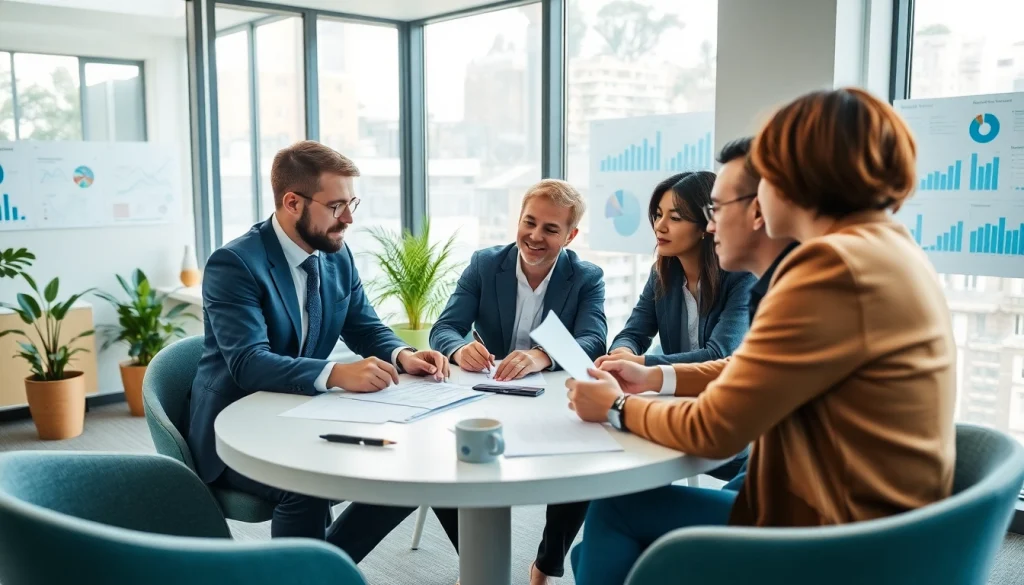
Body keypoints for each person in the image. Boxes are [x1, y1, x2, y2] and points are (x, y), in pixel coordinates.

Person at [566, 87, 957, 585]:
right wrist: (655, 377)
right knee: (609, 548)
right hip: (874, 514)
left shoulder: (831, 266)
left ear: (796, 179)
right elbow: (753, 369)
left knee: (614, 513)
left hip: (840, 539)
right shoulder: (883, 247)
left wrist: (615, 408)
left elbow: (714, 430)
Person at [188, 140, 459, 562]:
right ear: (292, 202)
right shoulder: (235, 264)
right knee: (306, 485)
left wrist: (403, 354)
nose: (349, 218)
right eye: (337, 206)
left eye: (353, 203)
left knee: (412, 467)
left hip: (306, 414)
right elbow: (247, 362)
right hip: (238, 427)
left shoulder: (336, 254)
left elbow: (364, 325)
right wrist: (334, 374)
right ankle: (311, 571)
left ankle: (319, 569)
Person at [429, 178, 607, 585]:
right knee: (438, 457)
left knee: (583, 462)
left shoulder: (585, 277)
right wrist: (459, 350)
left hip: (551, 401)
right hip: (485, 398)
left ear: (571, 234)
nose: (535, 236)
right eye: (529, 222)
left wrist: (541, 355)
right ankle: (477, 561)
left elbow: (594, 340)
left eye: (550, 228)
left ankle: (545, 566)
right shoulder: (485, 264)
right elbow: (446, 328)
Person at [597, 170, 755, 482]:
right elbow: (634, 331)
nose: (660, 226)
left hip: (733, 424)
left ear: (705, 225)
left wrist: (640, 364)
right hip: (676, 406)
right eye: (657, 215)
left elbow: (718, 354)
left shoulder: (742, 277)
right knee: (615, 457)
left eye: (676, 217)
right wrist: (621, 354)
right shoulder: (662, 274)